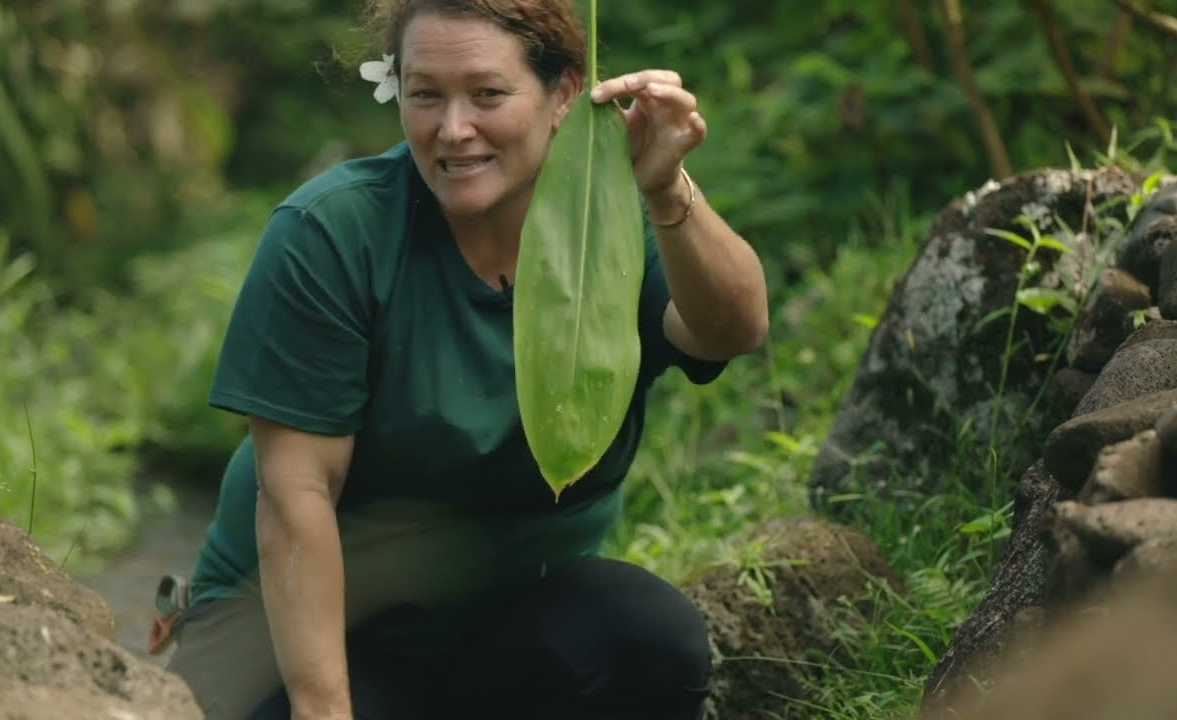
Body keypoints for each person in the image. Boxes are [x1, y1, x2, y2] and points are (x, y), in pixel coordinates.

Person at [165, 0, 770, 718]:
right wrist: (324, 711)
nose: (453, 131)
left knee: (646, 637)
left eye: (487, 94)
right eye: (425, 95)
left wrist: (667, 190)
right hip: (296, 637)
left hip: (500, 625)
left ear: (564, 93)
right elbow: (297, 498)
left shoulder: (599, 228)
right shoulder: (332, 235)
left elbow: (730, 328)